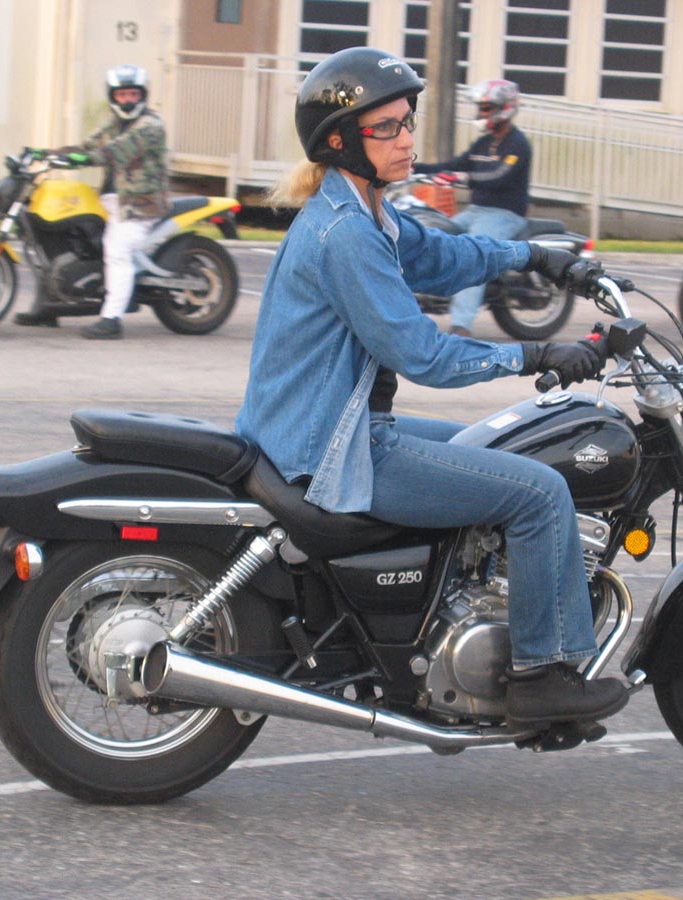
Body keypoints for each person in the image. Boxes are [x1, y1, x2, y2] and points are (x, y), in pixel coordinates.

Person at [236, 47, 628, 728]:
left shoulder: (366, 212)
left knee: (503, 448)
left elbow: (445, 256)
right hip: (330, 446)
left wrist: (537, 255)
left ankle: (461, 620)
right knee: (540, 491)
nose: (406, 139)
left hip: (331, 425)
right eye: (386, 127)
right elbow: (422, 355)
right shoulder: (346, 234)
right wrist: (538, 354)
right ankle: (541, 675)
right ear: (341, 140)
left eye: (407, 122)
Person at [15, 64, 169, 340]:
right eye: (122, 95)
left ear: (143, 95)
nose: (128, 100)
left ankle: (111, 320)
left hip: (140, 206)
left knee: (116, 249)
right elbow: (86, 149)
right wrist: (44, 154)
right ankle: (49, 308)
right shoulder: (112, 124)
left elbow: (114, 152)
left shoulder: (151, 126)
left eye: (133, 94)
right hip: (111, 201)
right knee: (53, 239)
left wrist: (83, 159)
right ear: (113, 96)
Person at [412, 79, 532, 337]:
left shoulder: (517, 144)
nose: (482, 113)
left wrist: (462, 178)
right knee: (433, 234)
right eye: (481, 108)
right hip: (475, 212)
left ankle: (461, 327)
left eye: (487, 108)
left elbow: (499, 176)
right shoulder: (484, 143)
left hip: (504, 215)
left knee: (473, 257)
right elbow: (454, 165)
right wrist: (413, 167)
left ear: (505, 108)